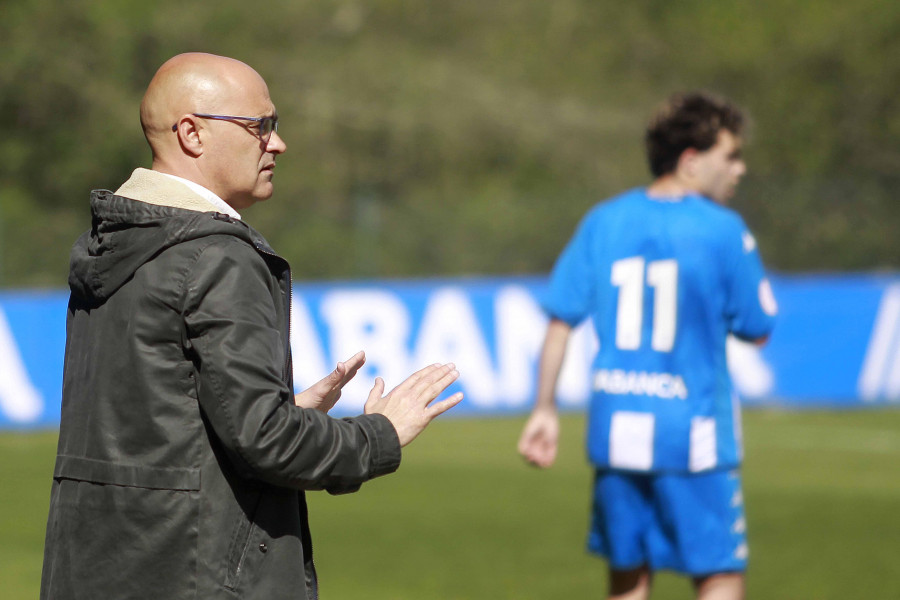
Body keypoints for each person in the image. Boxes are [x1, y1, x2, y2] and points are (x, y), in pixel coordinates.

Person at [40, 52, 463, 600]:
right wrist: (380, 435)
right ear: (191, 133)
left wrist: (289, 411)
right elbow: (266, 442)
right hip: (196, 577)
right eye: (260, 126)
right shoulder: (216, 256)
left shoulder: (112, 247)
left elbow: (155, 428)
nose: (277, 143)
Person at [518, 92, 777, 600]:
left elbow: (559, 324)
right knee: (719, 574)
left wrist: (544, 408)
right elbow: (758, 327)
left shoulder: (603, 220)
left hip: (616, 434)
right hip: (693, 437)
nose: (740, 169)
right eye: (731, 155)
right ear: (690, 161)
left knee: (628, 579)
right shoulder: (723, 230)